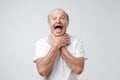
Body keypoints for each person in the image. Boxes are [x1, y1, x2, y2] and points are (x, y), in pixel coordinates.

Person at [33, 8, 87, 80]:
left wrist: (59, 45)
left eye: (62, 18)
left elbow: (79, 69)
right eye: (54, 18)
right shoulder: (40, 43)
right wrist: (56, 46)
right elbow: (42, 71)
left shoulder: (76, 41)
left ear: (67, 23)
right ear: (49, 23)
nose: (58, 21)